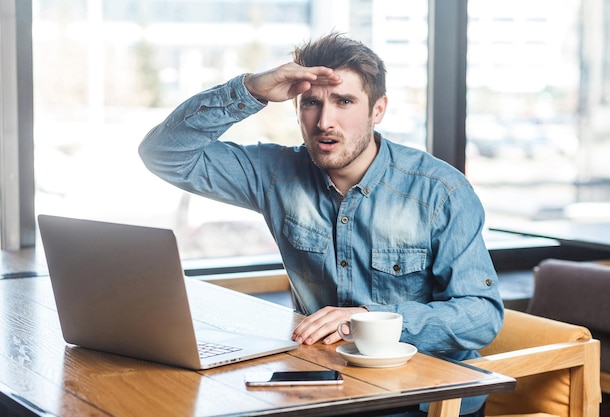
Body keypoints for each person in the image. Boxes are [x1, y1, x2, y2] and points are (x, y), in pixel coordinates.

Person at [139, 33, 503, 416]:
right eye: (312, 103)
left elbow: (481, 315)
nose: (324, 121)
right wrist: (250, 89)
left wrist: (368, 319)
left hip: (420, 398)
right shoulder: (275, 174)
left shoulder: (440, 191)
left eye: (344, 101)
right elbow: (163, 154)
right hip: (322, 387)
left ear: (378, 110)